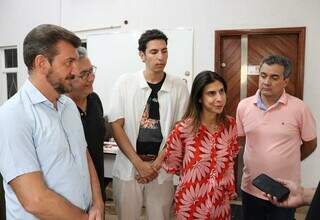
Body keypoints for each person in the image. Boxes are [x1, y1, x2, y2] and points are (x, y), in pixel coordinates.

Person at [0, 24, 104, 219]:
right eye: (69, 62)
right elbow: (35, 200)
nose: (75, 70)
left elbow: (84, 156)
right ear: (41, 63)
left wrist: (97, 203)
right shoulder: (12, 116)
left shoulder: (68, 106)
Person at [108, 29, 189, 220]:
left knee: (160, 216)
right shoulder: (125, 83)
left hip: (161, 169)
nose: (160, 57)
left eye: (164, 51)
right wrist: (139, 164)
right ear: (142, 55)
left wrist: (155, 165)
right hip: (129, 168)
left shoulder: (179, 86)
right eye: (154, 52)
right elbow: (116, 125)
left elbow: (179, 131)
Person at [236, 55, 317, 220]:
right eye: (263, 75)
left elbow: (310, 144)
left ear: (285, 81)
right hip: (251, 187)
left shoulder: (299, 108)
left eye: (274, 77)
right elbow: (242, 140)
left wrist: (289, 158)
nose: (266, 82)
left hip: (285, 191)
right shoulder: (244, 106)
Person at [163, 71, 240, 220]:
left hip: (220, 204)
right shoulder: (183, 129)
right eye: (211, 93)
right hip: (190, 204)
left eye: (221, 91)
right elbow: (172, 165)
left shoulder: (230, 125)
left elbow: (230, 159)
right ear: (199, 98)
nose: (219, 98)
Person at [68, 47, 106, 202]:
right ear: (67, 78)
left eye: (92, 71)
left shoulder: (94, 100)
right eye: (84, 74)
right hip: (75, 194)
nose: (91, 78)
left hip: (98, 186)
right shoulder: (62, 109)